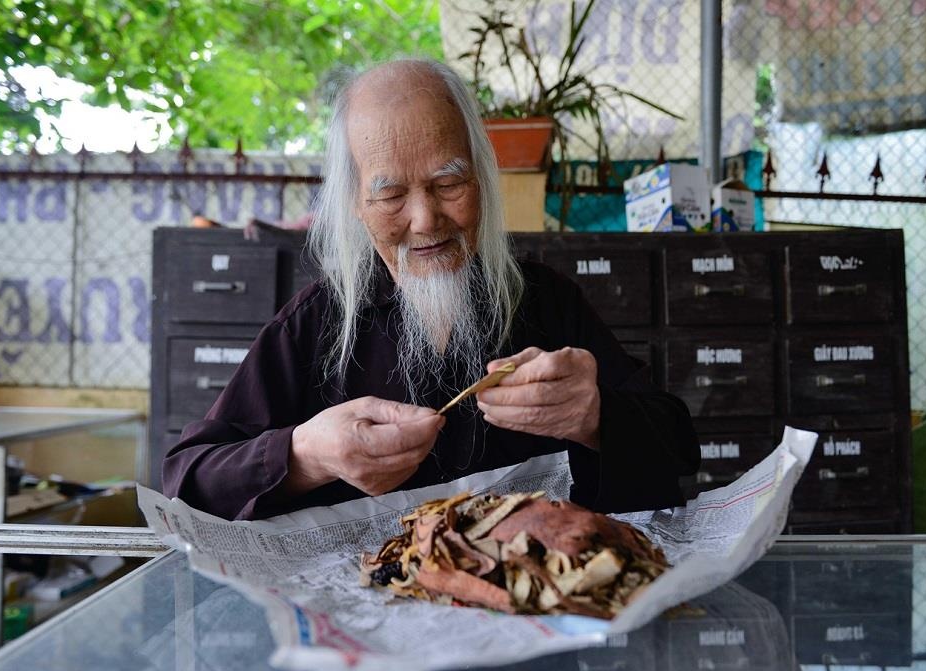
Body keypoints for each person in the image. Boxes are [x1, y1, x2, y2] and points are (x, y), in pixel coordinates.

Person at [163, 58, 699, 521]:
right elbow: (188, 481)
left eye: (449, 184)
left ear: (483, 178)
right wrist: (305, 454)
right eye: (391, 194)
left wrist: (597, 416)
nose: (425, 220)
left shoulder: (546, 302)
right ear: (354, 201)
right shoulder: (315, 325)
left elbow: (677, 447)